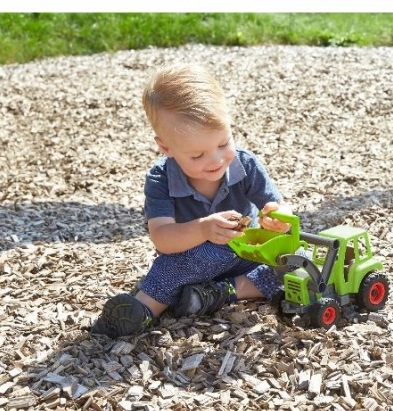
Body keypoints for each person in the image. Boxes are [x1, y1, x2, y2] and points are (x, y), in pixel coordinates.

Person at [91, 62, 291, 339]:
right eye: (197, 156)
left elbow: (276, 207)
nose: (216, 160)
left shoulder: (246, 166)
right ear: (166, 147)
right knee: (176, 266)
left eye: (223, 143)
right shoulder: (161, 179)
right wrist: (204, 229)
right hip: (193, 259)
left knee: (300, 262)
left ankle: (221, 292)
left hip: (247, 255)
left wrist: (277, 218)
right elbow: (162, 238)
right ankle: (142, 312)